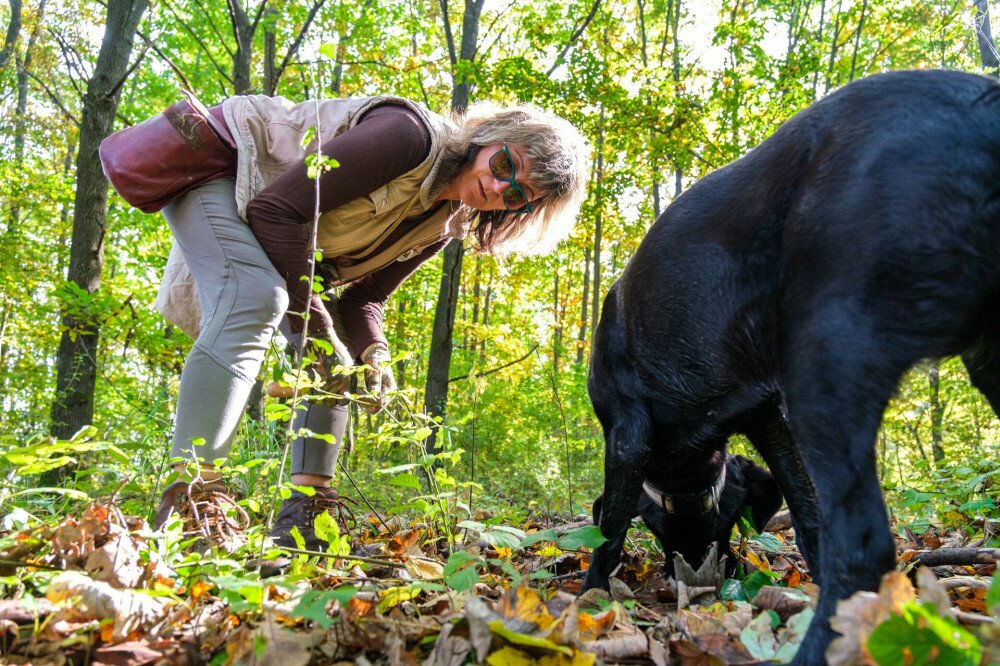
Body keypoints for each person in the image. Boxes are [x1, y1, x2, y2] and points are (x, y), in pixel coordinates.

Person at [150, 93, 589, 553]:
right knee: (259, 299)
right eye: (505, 165)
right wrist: (317, 335)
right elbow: (274, 210)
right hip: (222, 169)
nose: (500, 188)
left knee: (340, 352)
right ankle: (191, 501)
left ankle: (304, 516)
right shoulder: (407, 138)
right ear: (487, 139)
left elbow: (366, 298)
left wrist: (373, 354)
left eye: (518, 196)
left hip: (274, 227)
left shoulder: (446, 220)